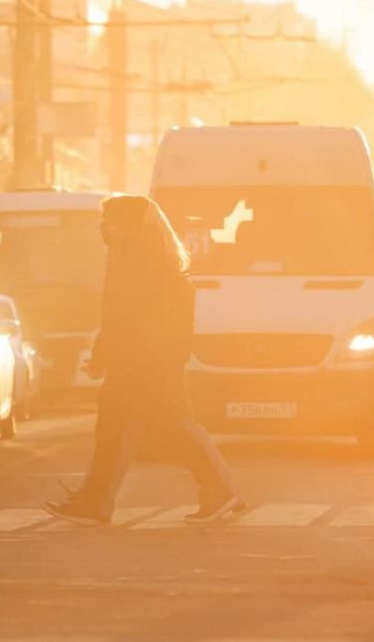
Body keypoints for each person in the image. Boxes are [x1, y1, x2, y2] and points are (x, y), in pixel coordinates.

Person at [45, 195, 242, 526]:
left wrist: (148, 361)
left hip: (150, 366)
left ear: (134, 226)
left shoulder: (152, 264)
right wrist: (103, 357)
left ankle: (220, 491)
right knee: (116, 430)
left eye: (114, 222)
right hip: (133, 364)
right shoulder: (129, 258)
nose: (106, 229)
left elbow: (152, 322)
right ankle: (96, 501)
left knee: (170, 428)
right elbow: (116, 318)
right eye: (105, 222)